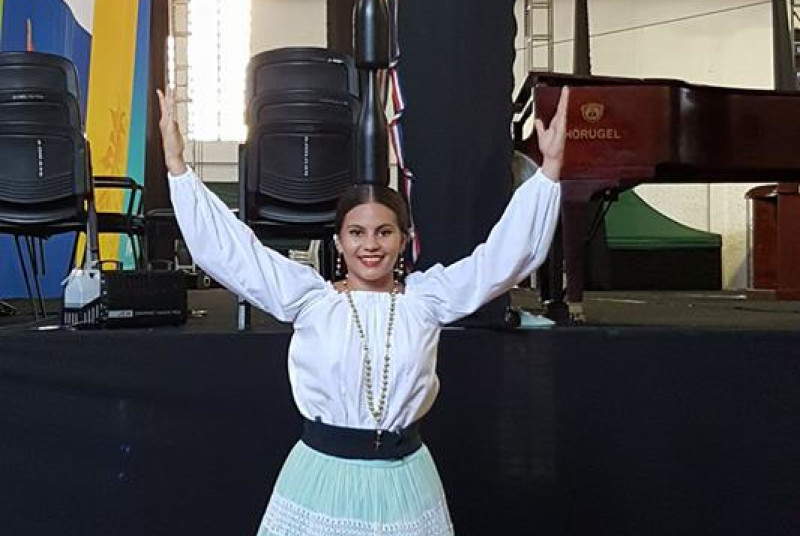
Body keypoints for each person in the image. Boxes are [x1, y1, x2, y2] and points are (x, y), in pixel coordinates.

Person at [157, 85, 569, 536]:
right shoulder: (311, 301)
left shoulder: (426, 301)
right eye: (356, 233)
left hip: (405, 481)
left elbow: (501, 262)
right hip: (322, 480)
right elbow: (233, 254)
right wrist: (178, 167)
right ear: (338, 242)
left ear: (404, 240)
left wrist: (549, 171)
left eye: (384, 232)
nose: (370, 245)